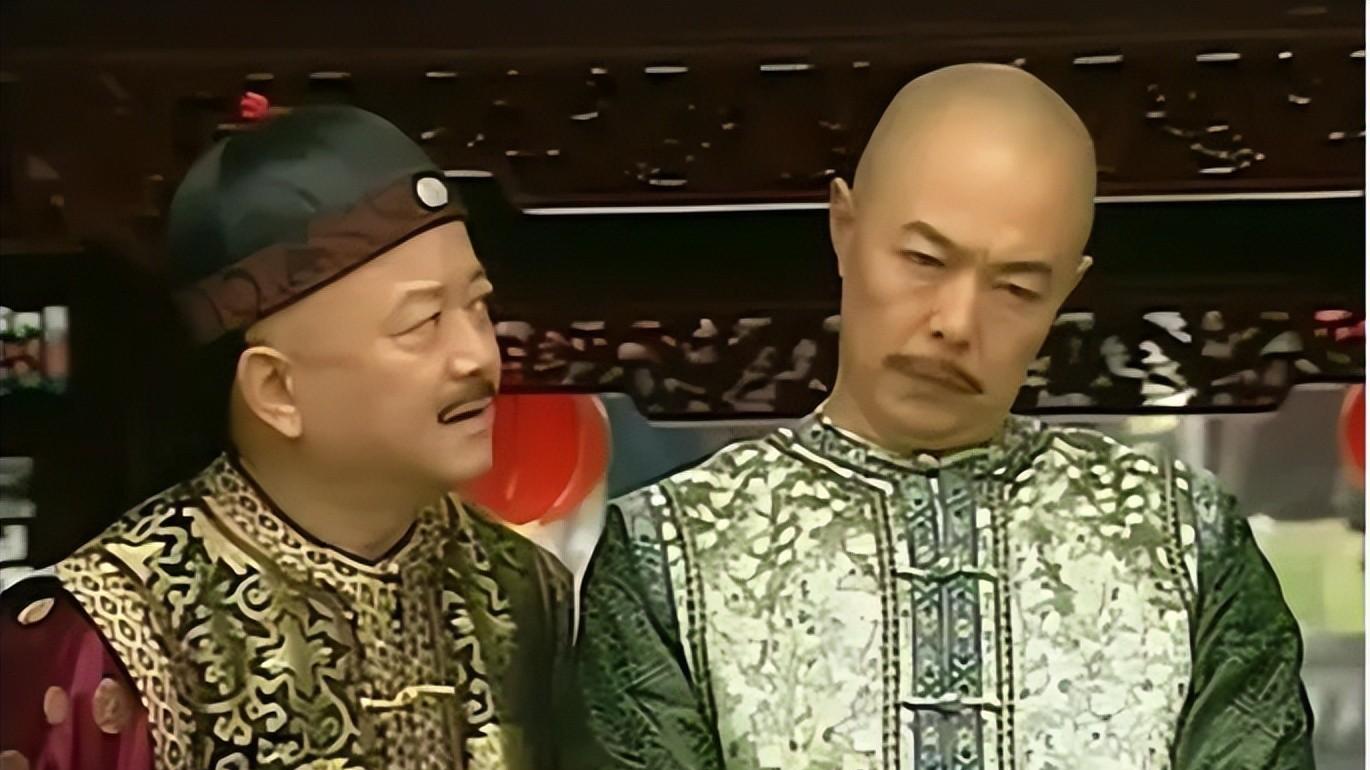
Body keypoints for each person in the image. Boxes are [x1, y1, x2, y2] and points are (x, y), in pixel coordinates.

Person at [577, 64, 1315, 770]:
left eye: (1016, 289)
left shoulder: (1185, 545)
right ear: (844, 228)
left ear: (1067, 291)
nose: (956, 323)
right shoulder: (671, 554)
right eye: (924, 261)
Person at [1, 106, 586, 770]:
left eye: (477, 307)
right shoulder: (107, 633)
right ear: (276, 389)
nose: (477, 357)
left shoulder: (523, 592)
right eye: (422, 323)